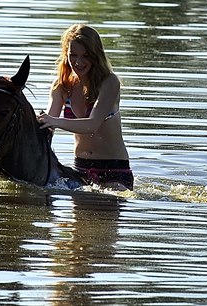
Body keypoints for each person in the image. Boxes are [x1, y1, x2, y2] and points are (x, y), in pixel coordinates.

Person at [37, 24, 134, 190]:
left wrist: (54, 121)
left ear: (96, 56)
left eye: (86, 56)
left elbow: (92, 124)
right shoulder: (61, 86)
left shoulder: (110, 83)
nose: (78, 62)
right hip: (79, 169)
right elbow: (48, 125)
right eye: (73, 55)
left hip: (114, 169)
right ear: (65, 54)